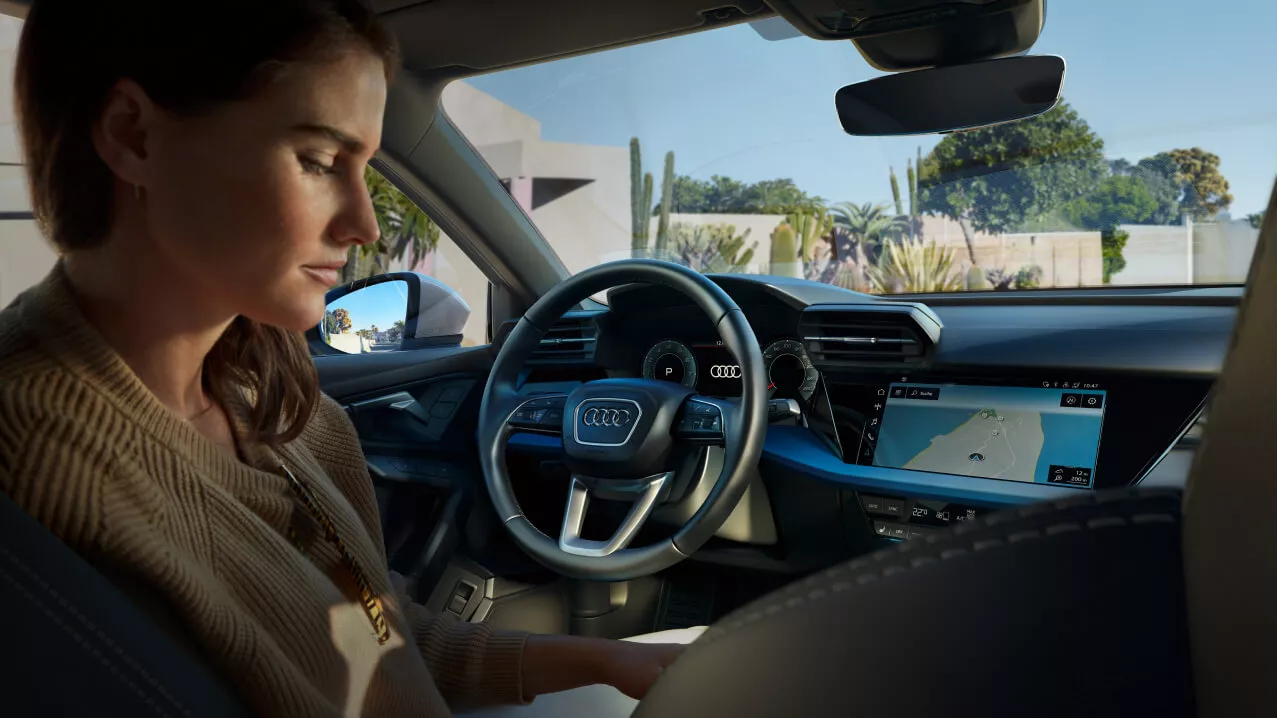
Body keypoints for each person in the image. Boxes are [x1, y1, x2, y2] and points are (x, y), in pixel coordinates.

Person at [0, 1, 687, 716]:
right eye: (320, 161)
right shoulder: (38, 464)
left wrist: (614, 660)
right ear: (131, 134)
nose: (362, 222)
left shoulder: (280, 403)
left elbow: (381, 643)